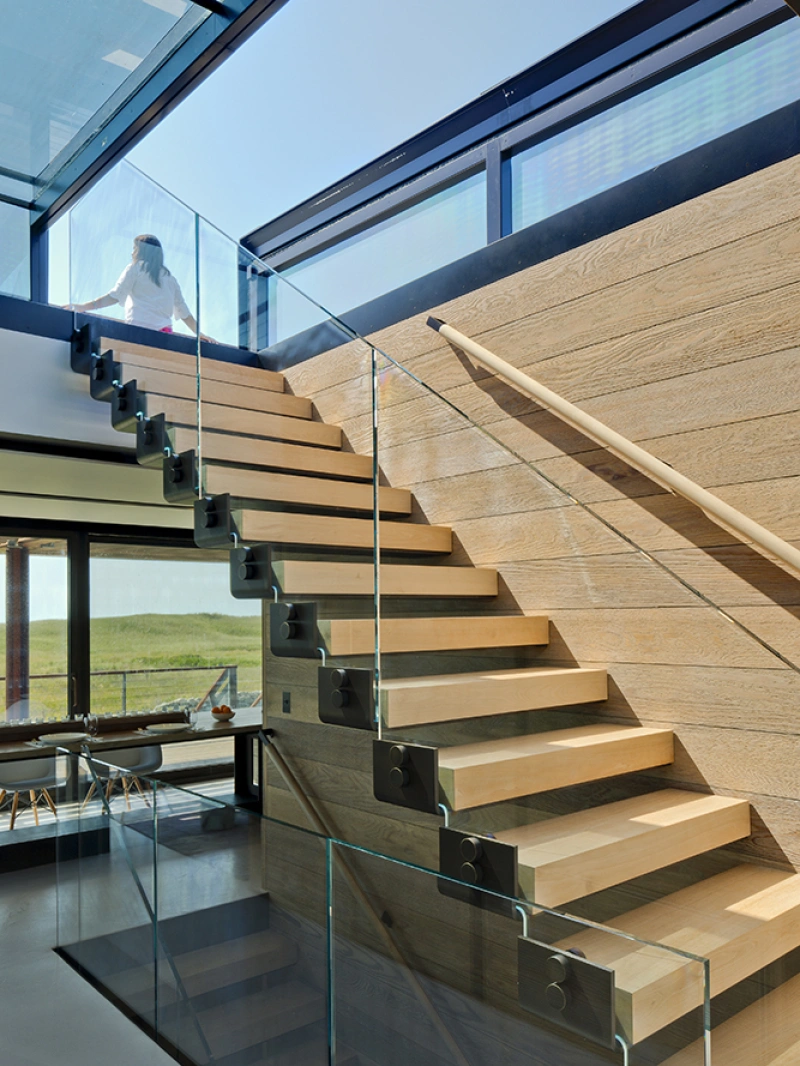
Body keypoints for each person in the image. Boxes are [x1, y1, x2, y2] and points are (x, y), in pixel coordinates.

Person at [69, 234, 211, 339]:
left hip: (137, 332)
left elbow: (115, 296)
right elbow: (183, 311)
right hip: (164, 334)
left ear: (142, 251)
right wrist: (199, 334)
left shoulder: (135, 268)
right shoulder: (170, 279)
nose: (132, 253)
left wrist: (83, 307)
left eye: (134, 248)